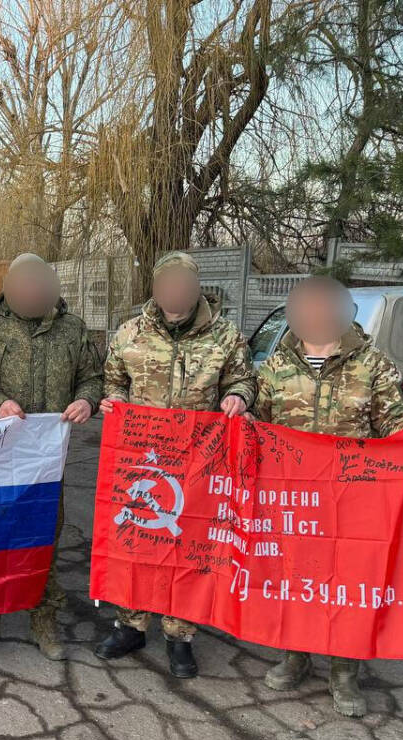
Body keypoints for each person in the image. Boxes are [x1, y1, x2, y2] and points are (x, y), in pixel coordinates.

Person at [253, 275, 403, 716]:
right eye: (307, 309)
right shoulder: (276, 366)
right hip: (293, 500)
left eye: (324, 308)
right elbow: (256, 426)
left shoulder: (374, 365)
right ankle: (295, 656)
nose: (315, 317)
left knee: (348, 584)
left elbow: (398, 420)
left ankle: (344, 672)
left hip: (354, 497)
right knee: (295, 579)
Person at [94, 250, 256, 678]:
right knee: (136, 539)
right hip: (140, 456)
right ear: (156, 286)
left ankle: (179, 634)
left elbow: (243, 377)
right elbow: (113, 380)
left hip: (199, 460)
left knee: (188, 545)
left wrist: (239, 395)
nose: (175, 291)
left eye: (184, 282)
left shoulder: (225, 336)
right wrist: (114, 401)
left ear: (196, 286)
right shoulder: (129, 333)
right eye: (167, 282)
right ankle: (130, 624)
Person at [0, 253, 103, 660]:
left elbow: (92, 379)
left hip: (47, 462)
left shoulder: (74, 331)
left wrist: (85, 401)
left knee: (44, 539)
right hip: (0, 458)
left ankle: (44, 620)